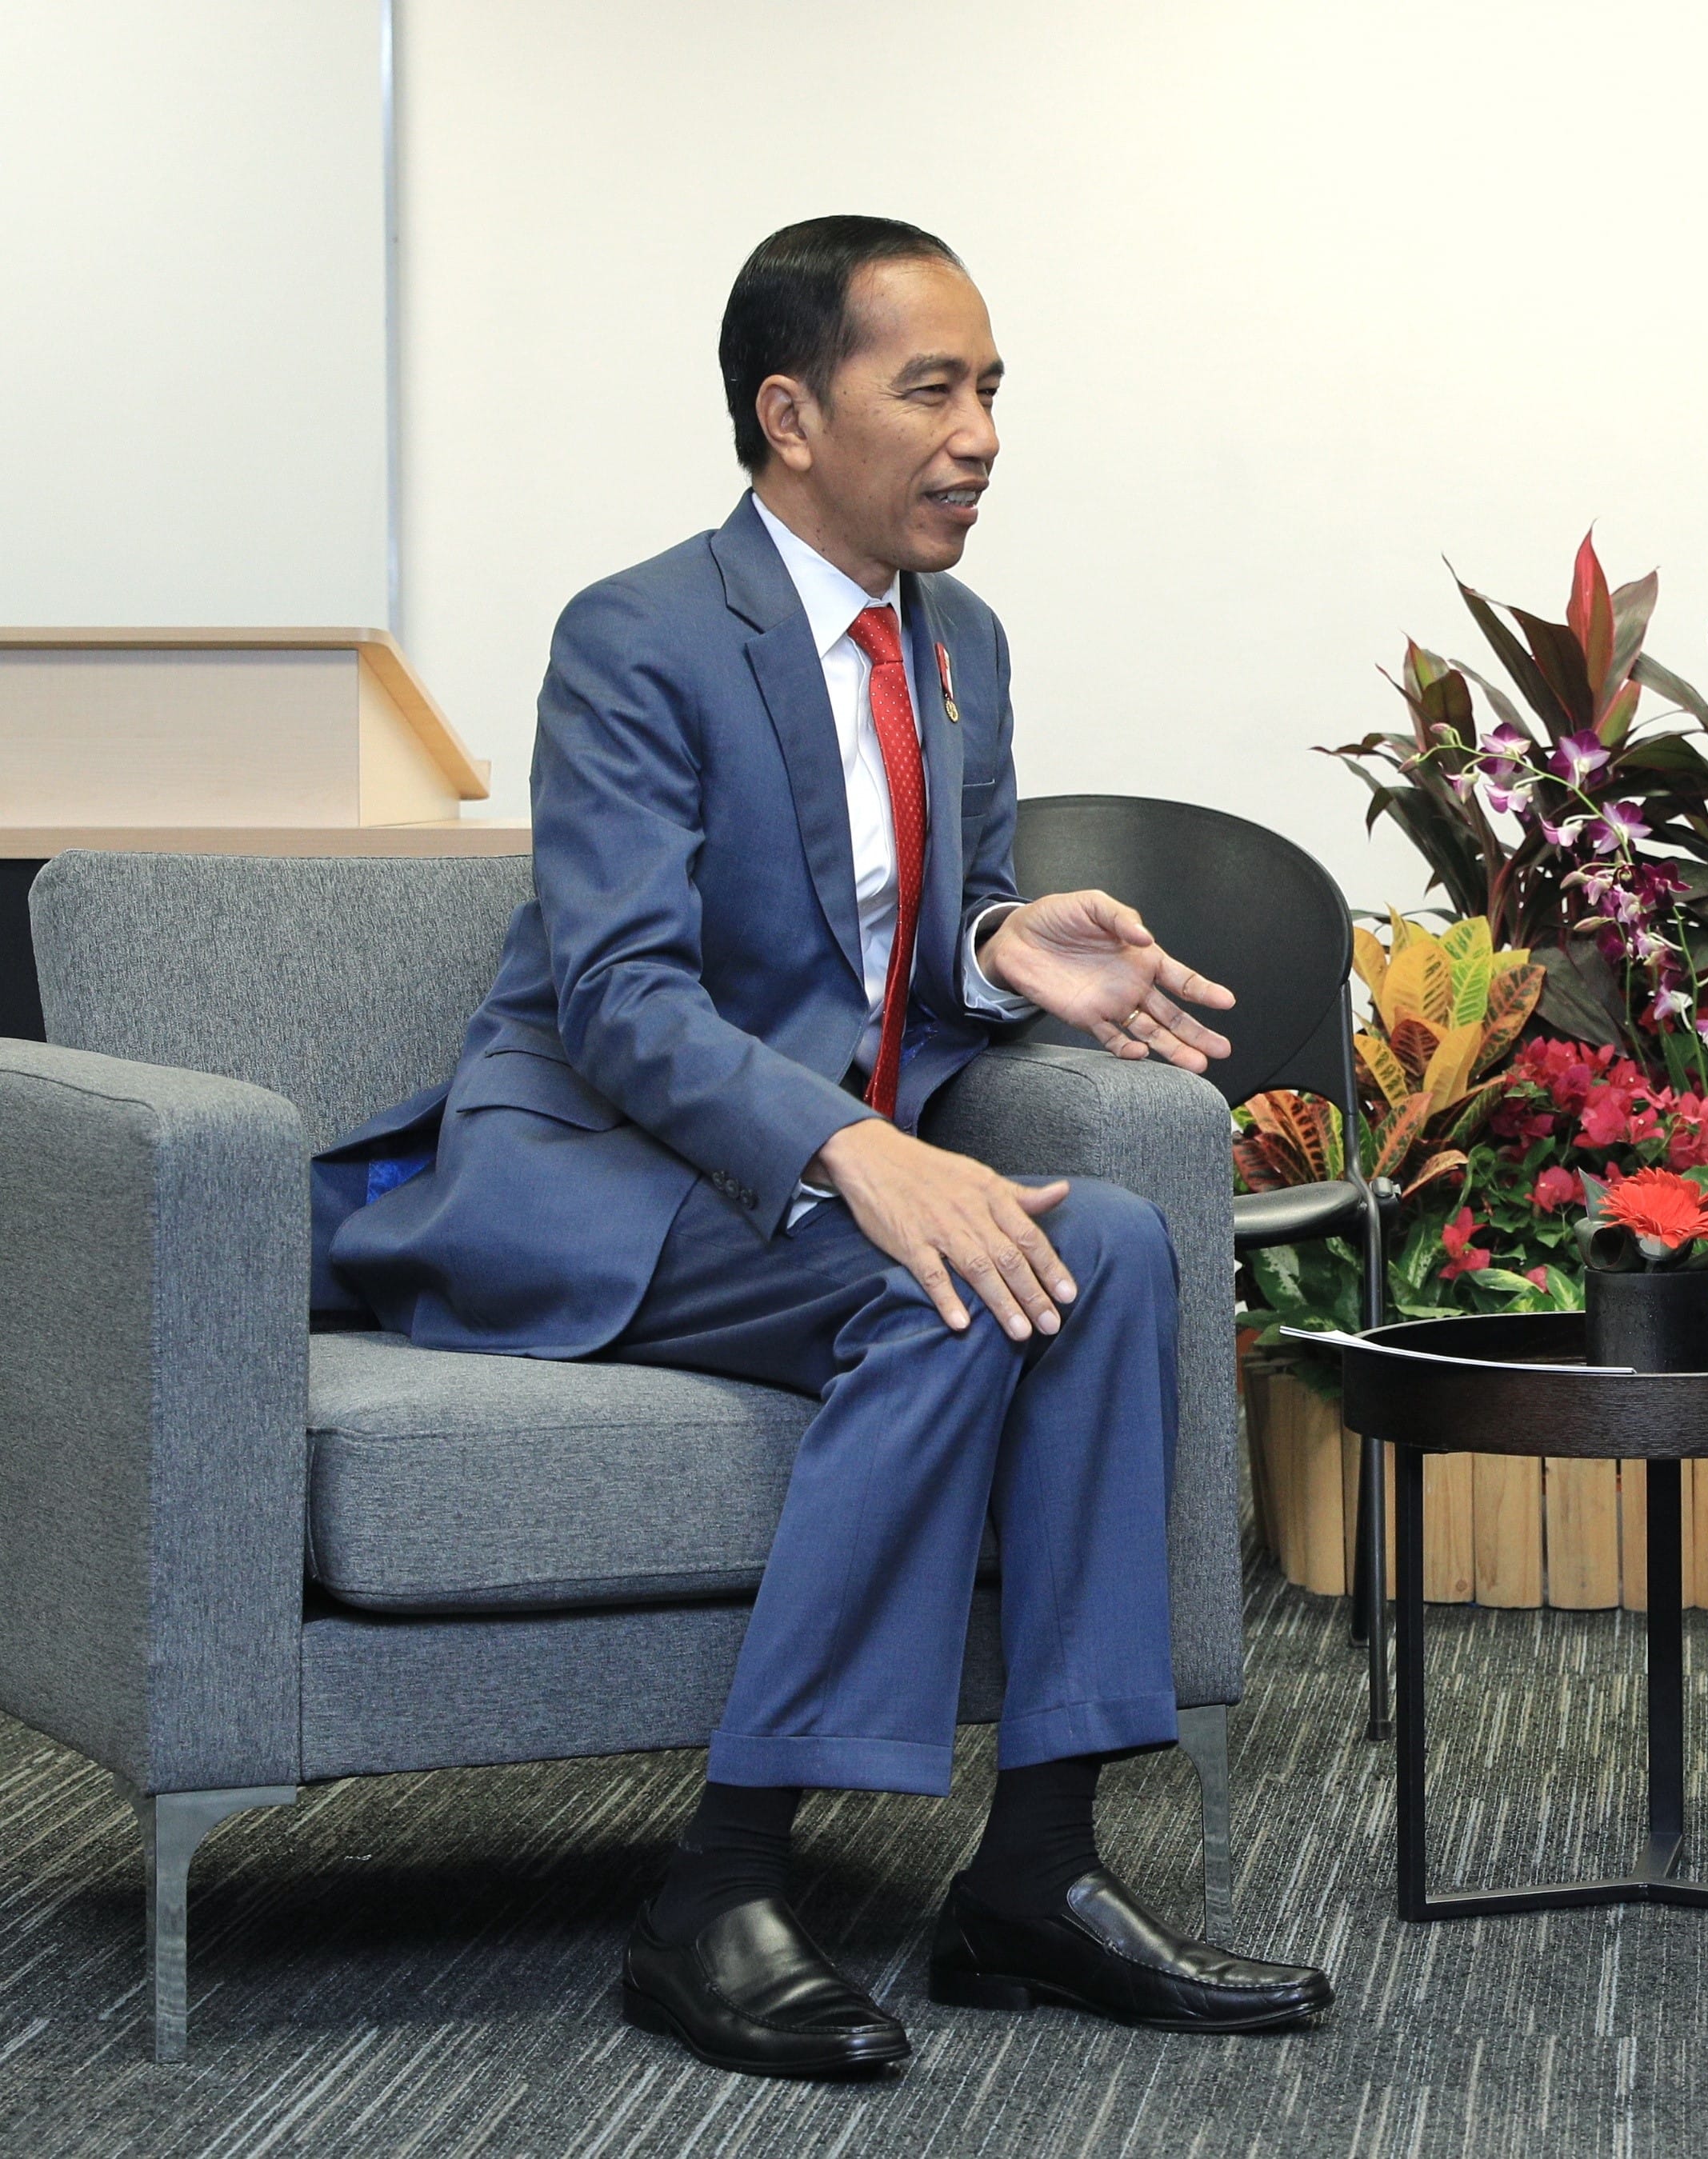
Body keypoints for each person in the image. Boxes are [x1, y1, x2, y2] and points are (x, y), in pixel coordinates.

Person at [320, 216, 1334, 2078]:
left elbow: (880, 948)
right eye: (930, 387)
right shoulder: (638, 635)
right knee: (955, 1268)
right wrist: (856, 1157)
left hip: (789, 1181)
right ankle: (721, 1880)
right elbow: (624, 999)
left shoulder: (962, 646)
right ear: (790, 413)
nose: (980, 432)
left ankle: (1036, 1870)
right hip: (610, 1166)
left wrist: (988, 943)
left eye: (993, 388)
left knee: (1106, 1241)